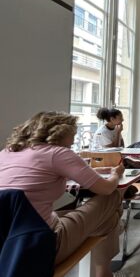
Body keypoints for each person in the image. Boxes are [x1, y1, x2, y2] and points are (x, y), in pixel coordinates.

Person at [0, 112, 126, 277]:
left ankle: (111, 233)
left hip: (8, 242)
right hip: (40, 246)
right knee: (112, 197)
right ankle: (104, 271)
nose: (74, 140)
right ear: (62, 132)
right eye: (73, 133)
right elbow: (107, 188)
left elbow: (38, 177)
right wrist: (116, 174)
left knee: (107, 218)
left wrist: (90, 171)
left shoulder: (7, 152)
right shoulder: (58, 153)